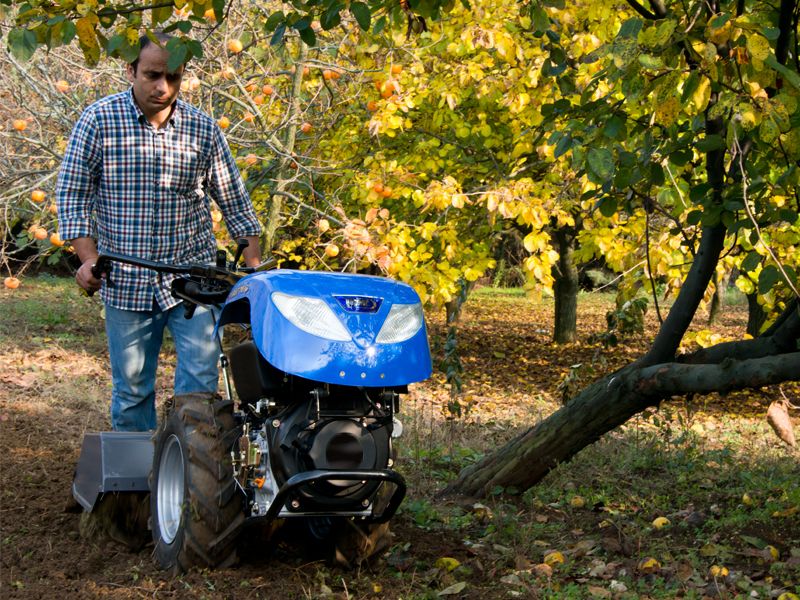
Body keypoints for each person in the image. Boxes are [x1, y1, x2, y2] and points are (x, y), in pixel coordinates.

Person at [57, 33, 262, 432]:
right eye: (152, 75)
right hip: (126, 280)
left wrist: (253, 270)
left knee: (200, 389)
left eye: (173, 76)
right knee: (132, 390)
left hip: (192, 285)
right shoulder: (98, 121)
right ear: (131, 70)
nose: (163, 87)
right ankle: (136, 486)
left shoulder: (202, 130)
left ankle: (189, 481)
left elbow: (237, 205)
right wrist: (88, 261)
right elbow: (72, 197)